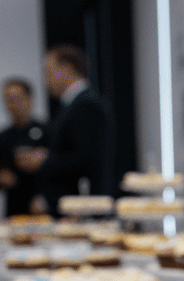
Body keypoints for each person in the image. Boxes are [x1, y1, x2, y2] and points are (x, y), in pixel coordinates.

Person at [16, 44, 115, 215]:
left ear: (67, 68)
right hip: (76, 205)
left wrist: (45, 160)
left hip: (83, 207)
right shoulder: (74, 104)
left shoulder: (85, 105)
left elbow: (86, 160)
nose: (45, 79)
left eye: (49, 71)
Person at [0, 77, 46, 217]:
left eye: (17, 98)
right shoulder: (0, 137)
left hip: (43, 205)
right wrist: (1, 178)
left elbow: (59, 171)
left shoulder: (48, 132)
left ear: (30, 99)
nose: (13, 104)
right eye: (8, 100)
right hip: (14, 207)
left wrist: (42, 160)